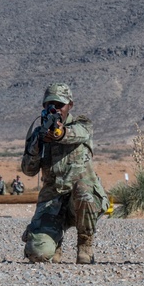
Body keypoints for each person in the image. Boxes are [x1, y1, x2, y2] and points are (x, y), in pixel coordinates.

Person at [21, 82, 108, 265]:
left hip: (80, 200)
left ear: (70, 105)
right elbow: (28, 171)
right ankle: (53, 239)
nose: (55, 109)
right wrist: (37, 146)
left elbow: (77, 134)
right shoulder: (38, 134)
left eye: (60, 105)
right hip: (52, 201)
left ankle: (85, 243)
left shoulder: (83, 125)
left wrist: (59, 134)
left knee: (83, 189)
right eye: (49, 105)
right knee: (38, 254)